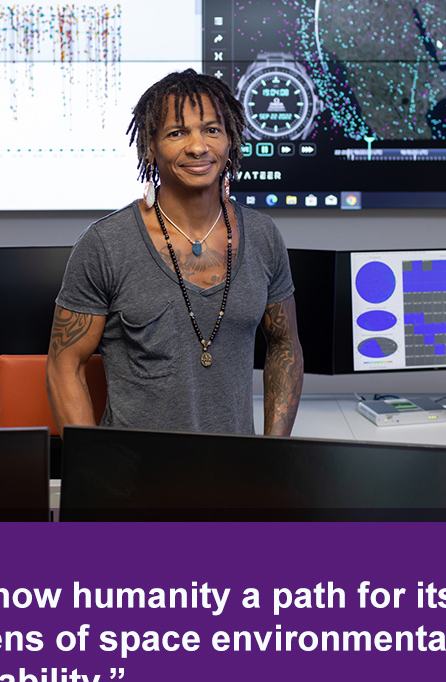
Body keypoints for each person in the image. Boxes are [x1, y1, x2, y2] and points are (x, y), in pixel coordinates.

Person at [47, 68, 303, 436]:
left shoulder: (263, 236)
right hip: (134, 480)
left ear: (230, 141)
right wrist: (95, 469)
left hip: (234, 476)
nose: (198, 147)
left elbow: (284, 344)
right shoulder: (106, 244)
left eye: (212, 130)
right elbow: (64, 365)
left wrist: (274, 451)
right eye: (177, 132)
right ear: (151, 147)